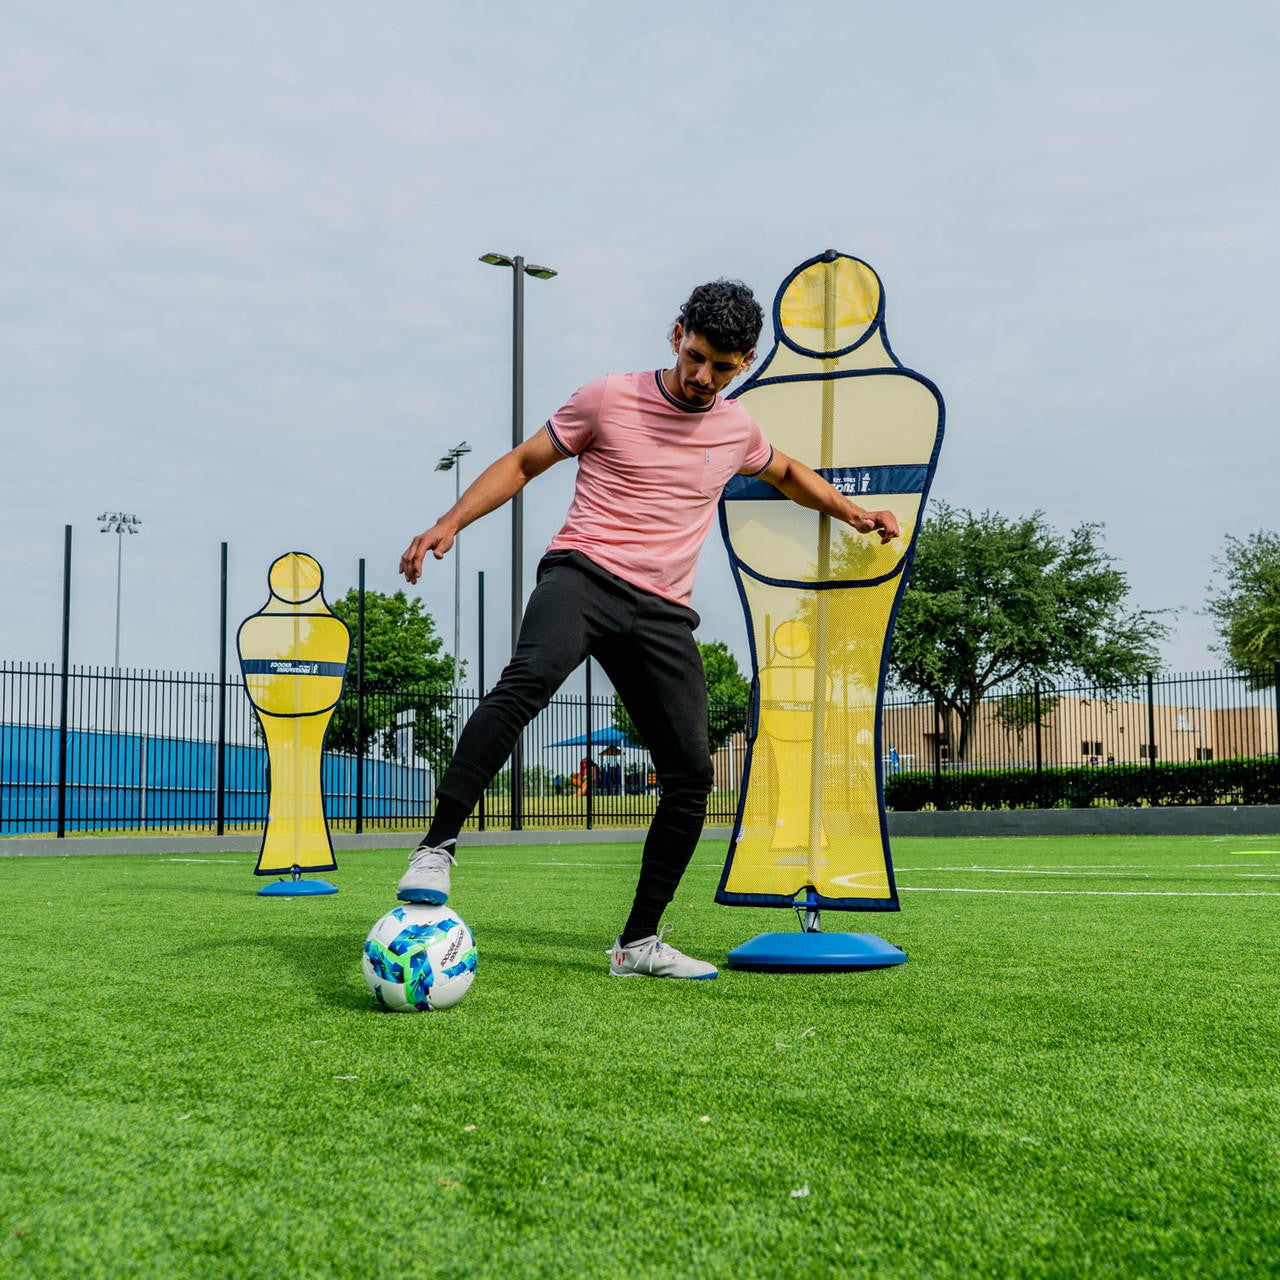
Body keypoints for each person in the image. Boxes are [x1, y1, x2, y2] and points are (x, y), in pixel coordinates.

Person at [397, 279, 900, 980]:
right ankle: (436, 848)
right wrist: (448, 522)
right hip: (583, 576)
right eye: (695, 357)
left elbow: (786, 472)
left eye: (721, 368)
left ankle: (638, 944)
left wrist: (853, 513)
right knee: (526, 682)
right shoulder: (608, 397)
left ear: (744, 363)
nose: (702, 378)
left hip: (662, 610)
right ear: (676, 335)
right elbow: (523, 462)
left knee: (692, 776)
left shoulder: (736, 429)